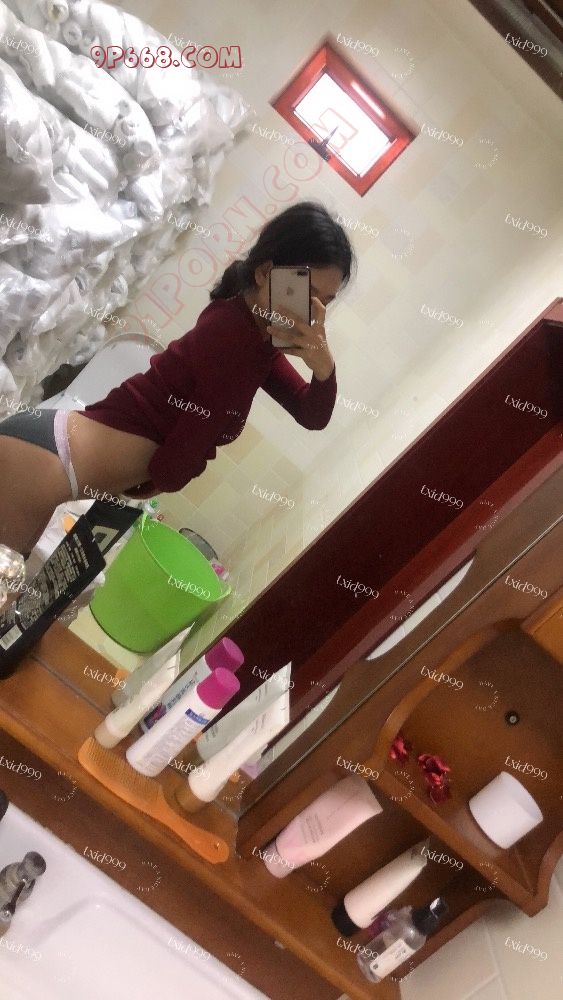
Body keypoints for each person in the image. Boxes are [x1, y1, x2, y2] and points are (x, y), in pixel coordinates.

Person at [0, 201, 354, 556]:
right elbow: (173, 466)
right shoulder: (237, 344)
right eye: (306, 294)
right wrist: (142, 481)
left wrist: (324, 365)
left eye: (324, 302)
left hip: (51, 452)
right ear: (265, 273)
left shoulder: (252, 331)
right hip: (49, 464)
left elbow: (311, 414)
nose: (313, 314)